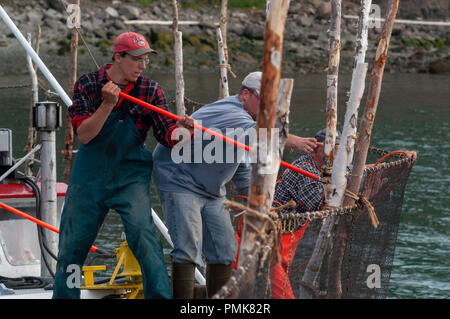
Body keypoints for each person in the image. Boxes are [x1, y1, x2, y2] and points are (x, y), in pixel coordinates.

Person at [52, 31, 195, 299]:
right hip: (88, 179)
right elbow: (84, 134)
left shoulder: (150, 90)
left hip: (129, 178)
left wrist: (185, 132)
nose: (142, 66)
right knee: (72, 246)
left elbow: (166, 136)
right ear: (118, 57)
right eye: (137, 59)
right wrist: (107, 105)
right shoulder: (88, 84)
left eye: (146, 61)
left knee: (144, 239)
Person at [152, 71, 318, 298]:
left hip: (211, 189)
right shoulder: (230, 112)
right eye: (264, 101)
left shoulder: (247, 121)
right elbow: (261, 137)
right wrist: (295, 141)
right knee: (188, 247)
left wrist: (257, 202)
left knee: (225, 250)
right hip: (179, 179)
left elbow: (241, 164)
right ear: (246, 95)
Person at [270, 128, 338, 299]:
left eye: (338, 148)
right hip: (270, 236)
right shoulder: (305, 170)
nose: (335, 154)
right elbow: (319, 207)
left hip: (287, 236)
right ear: (315, 148)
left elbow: (354, 170)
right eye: (331, 149)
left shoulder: (324, 167)